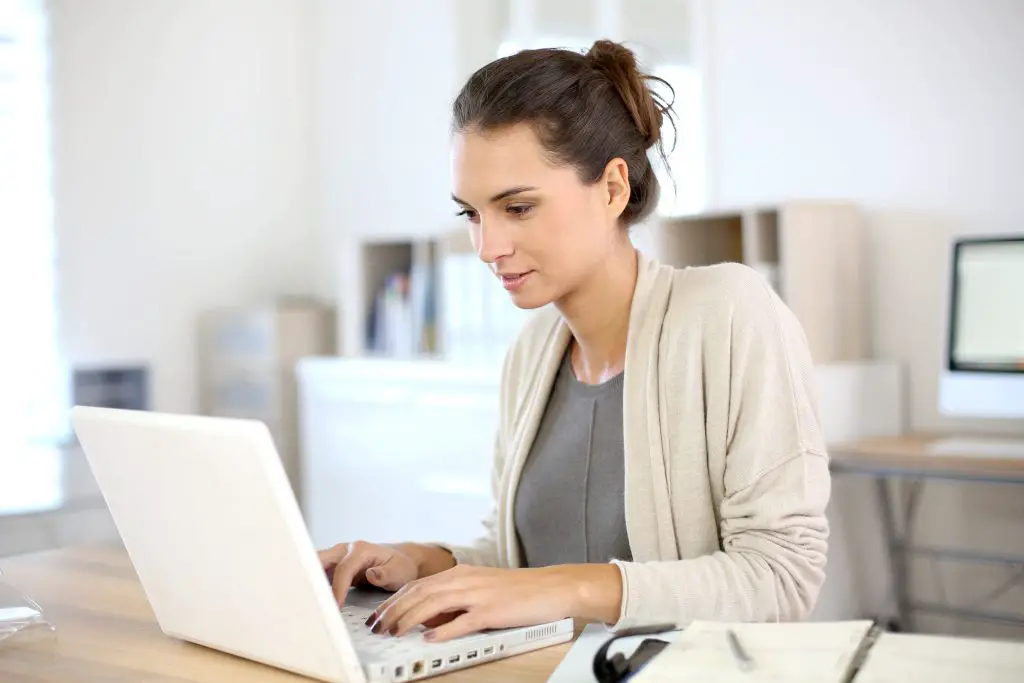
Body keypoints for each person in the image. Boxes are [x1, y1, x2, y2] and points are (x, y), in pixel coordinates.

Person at [318, 39, 830, 643]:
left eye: (517, 207)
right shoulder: (533, 354)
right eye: (473, 214)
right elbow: (521, 560)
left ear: (613, 189)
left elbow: (782, 576)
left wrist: (564, 587)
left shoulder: (727, 313)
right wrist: (425, 563)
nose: (488, 247)